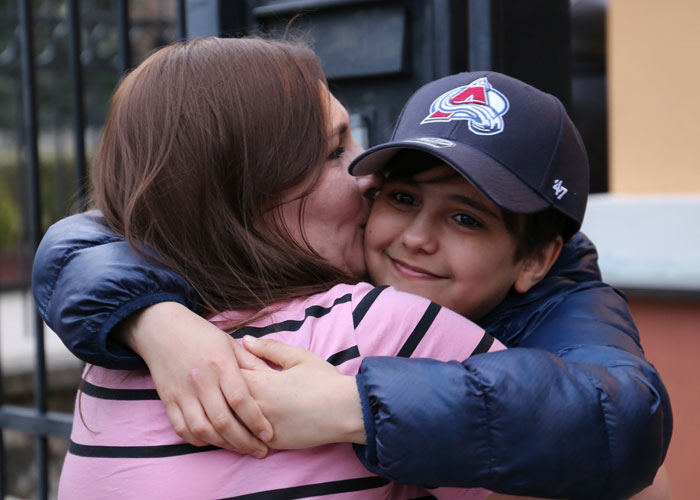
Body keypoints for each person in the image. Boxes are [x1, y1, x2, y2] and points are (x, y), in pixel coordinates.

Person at [33, 54, 671, 498]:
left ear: (536, 259)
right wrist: (155, 320)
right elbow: (88, 237)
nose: (368, 182)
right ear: (249, 193)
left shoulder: (548, 302)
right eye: (401, 196)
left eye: (467, 219)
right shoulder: (168, 320)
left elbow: (625, 426)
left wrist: (354, 405)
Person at [51, 36, 506, 499]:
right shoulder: (381, 329)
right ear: (243, 196)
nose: (372, 177)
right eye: (335, 153)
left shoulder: (111, 361)